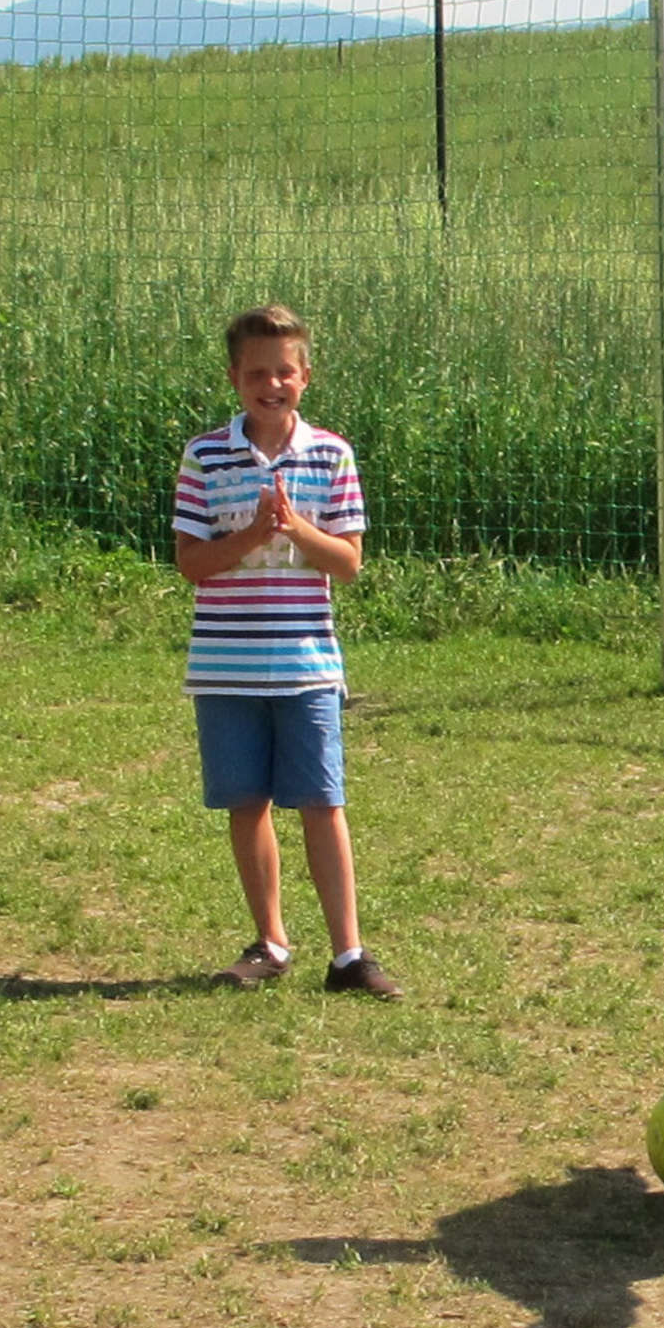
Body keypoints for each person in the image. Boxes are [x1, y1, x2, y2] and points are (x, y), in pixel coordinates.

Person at [172, 304, 400, 999]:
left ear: (305, 376)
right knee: (248, 803)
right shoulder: (205, 455)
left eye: (284, 372)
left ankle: (348, 955)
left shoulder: (332, 455)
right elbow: (191, 563)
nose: (271, 385)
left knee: (322, 802)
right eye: (256, 374)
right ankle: (270, 943)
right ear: (234, 378)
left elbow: (348, 563)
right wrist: (250, 536)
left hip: (307, 666)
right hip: (226, 666)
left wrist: (296, 528)